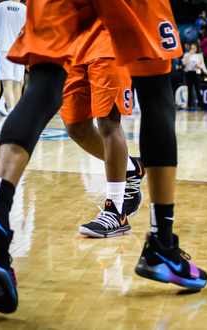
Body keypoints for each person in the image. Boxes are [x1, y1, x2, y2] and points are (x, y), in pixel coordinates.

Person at [0, 0, 207, 315]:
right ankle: (162, 244)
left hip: (97, 37)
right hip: (98, 29)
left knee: (46, 85)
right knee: (154, 91)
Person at [59, 19, 144, 238]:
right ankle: (130, 168)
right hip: (74, 43)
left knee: (108, 122)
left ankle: (116, 211)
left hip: (109, 37)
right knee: (76, 127)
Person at [0, 0, 27, 114]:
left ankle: (11, 114)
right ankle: (16, 115)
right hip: (19, 51)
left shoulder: (0, 7)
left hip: (4, 50)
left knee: (7, 84)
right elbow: (27, 32)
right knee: (18, 83)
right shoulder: (24, 9)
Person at [182, 42, 207, 110]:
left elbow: (202, 64)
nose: (193, 49)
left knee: (197, 89)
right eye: (192, 48)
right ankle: (189, 105)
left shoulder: (199, 55)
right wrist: (189, 55)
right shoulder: (187, 54)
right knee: (189, 89)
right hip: (188, 73)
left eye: (194, 48)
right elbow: (184, 62)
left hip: (196, 73)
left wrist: (203, 69)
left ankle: (200, 104)